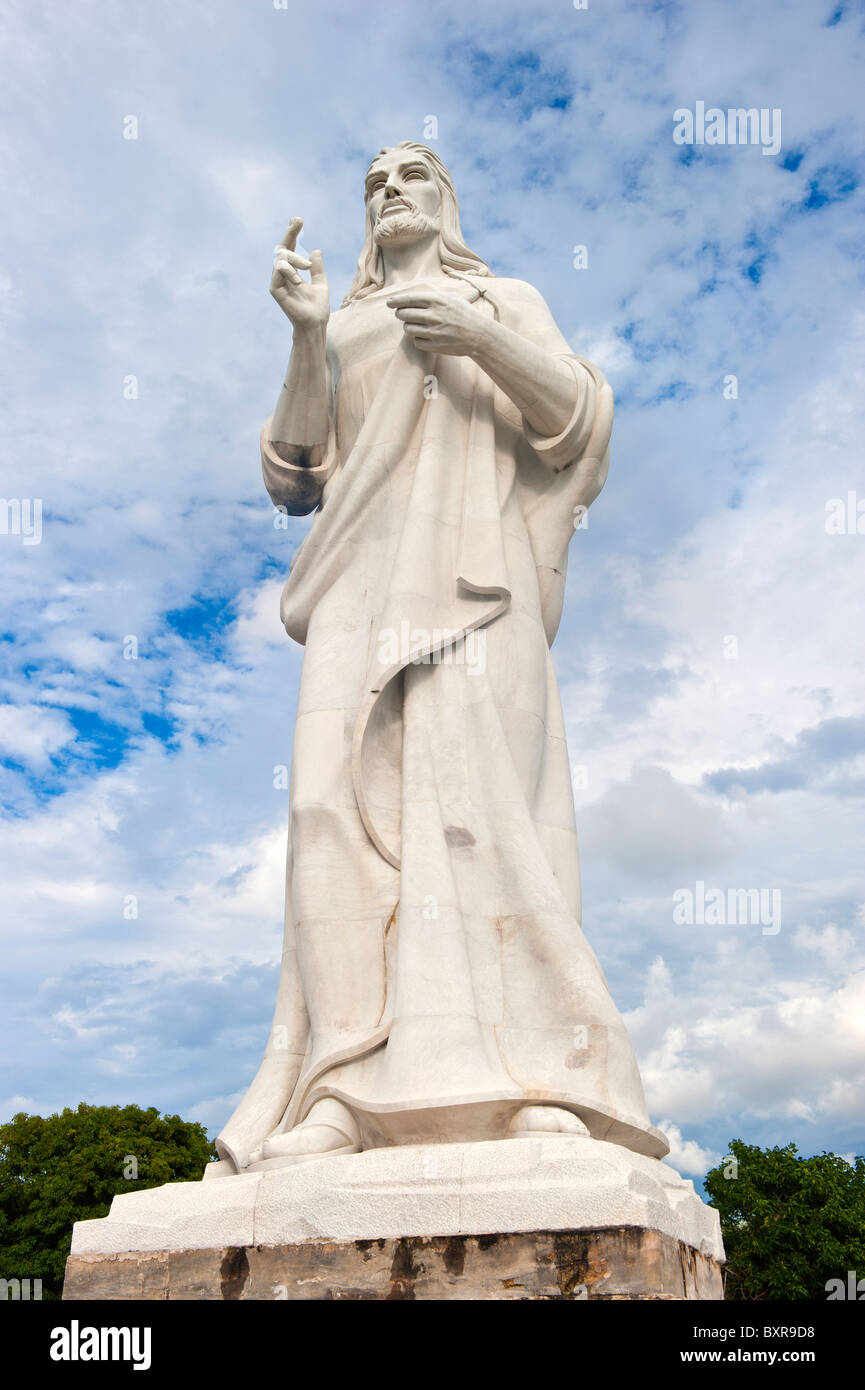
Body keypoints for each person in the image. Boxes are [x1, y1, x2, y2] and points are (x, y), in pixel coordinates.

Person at [215, 143, 668, 1172]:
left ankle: (533, 1080)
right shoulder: (344, 324)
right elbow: (294, 474)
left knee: (477, 814)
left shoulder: (503, 297)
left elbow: (576, 423)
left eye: (410, 173)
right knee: (326, 820)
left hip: (475, 579)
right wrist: (304, 338)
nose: (388, 188)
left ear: (445, 199)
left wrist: (477, 338)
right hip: (355, 585)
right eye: (373, 180)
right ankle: (338, 1087)